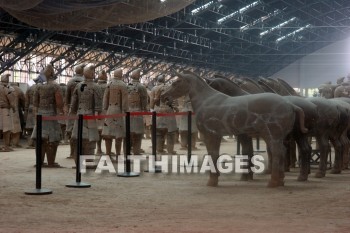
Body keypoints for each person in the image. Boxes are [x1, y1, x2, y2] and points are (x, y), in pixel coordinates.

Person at [31, 64, 64, 167]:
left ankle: (39, 162)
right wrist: (62, 110)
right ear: (52, 73)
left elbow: (35, 103)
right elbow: (59, 102)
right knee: (52, 140)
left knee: (39, 140)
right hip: (51, 115)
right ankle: (51, 162)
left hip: (40, 115)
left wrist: (36, 114)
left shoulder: (38, 86)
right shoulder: (55, 85)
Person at [70, 65, 102, 164]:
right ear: (92, 73)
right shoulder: (96, 87)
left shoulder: (78, 86)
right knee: (90, 140)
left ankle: (78, 163)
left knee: (77, 139)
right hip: (90, 117)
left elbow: (73, 105)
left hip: (79, 116)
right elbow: (98, 106)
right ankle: (88, 163)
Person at [102, 68, 128, 159]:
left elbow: (105, 98)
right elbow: (124, 101)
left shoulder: (109, 84)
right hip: (118, 111)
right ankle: (117, 155)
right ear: (120, 75)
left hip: (109, 110)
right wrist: (125, 110)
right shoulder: (123, 85)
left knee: (108, 134)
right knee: (118, 135)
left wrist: (105, 108)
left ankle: (108, 154)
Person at [150, 74, 178, 154]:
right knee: (170, 133)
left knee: (159, 132)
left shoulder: (154, 89)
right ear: (164, 80)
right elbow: (174, 100)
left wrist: (152, 108)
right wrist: (176, 108)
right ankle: (170, 150)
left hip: (158, 111)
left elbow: (152, 104)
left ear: (157, 80)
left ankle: (159, 150)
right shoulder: (169, 88)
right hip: (169, 111)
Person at [65, 64, 85, 158]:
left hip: (72, 110)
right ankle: (80, 152)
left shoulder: (70, 81)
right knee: (82, 132)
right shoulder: (85, 82)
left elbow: (67, 97)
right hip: (83, 110)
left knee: (71, 131)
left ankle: (72, 152)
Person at [127, 68, 148, 155]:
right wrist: (145, 109)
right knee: (138, 135)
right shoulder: (141, 87)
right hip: (138, 112)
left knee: (128, 135)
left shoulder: (127, 86)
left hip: (127, 112)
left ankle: (126, 152)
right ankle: (136, 151)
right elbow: (144, 100)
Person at [0, 74, 16, 152]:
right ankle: (6, 146)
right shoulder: (6, 89)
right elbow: (11, 100)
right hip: (5, 110)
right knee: (7, 129)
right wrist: (14, 108)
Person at [96, 70, 108, 155]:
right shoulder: (107, 86)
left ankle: (99, 149)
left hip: (96, 111)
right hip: (106, 111)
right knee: (107, 131)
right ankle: (108, 150)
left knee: (98, 130)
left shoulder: (95, 86)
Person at [10, 82, 25, 148]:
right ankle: (14, 143)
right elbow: (24, 100)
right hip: (14, 110)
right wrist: (24, 108)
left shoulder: (5, 88)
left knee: (6, 128)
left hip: (4, 110)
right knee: (16, 128)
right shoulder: (18, 89)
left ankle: (7, 143)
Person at [24, 82, 38, 149]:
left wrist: (26, 110)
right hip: (38, 109)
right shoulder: (41, 88)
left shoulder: (29, 89)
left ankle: (30, 143)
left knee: (29, 127)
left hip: (30, 107)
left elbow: (26, 101)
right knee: (37, 127)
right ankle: (36, 144)